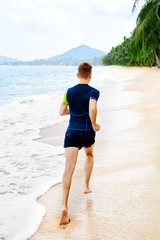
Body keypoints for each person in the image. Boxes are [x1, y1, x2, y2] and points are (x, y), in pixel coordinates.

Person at [59, 62, 100, 225]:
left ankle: (64, 206)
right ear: (90, 75)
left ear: (77, 75)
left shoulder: (68, 92)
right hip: (86, 131)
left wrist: (74, 111)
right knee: (89, 154)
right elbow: (92, 109)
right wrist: (95, 123)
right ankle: (86, 185)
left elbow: (62, 112)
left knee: (68, 168)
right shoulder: (93, 91)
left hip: (71, 132)